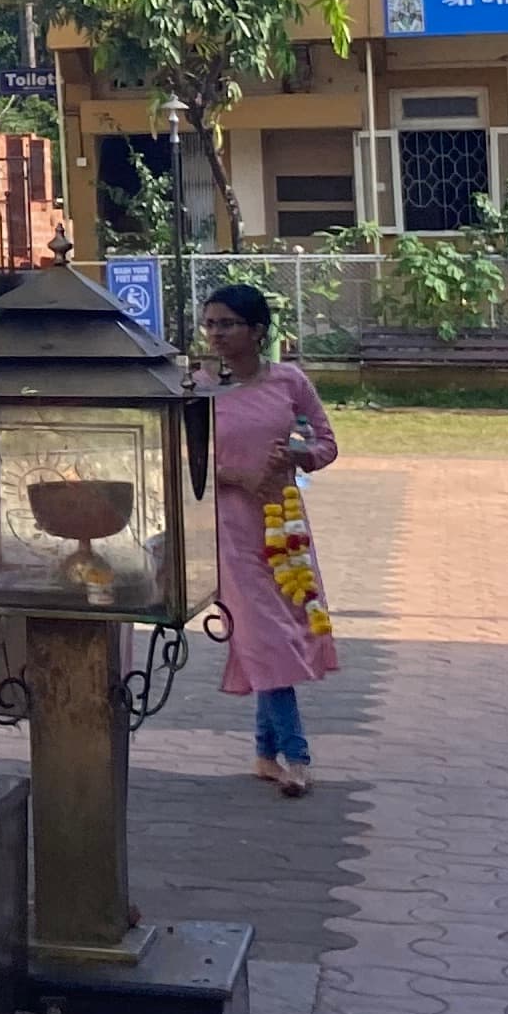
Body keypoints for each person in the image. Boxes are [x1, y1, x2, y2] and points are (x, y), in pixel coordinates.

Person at [197, 278, 340, 793]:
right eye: (210, 324)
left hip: (281, 522)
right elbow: (180, 458)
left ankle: (264, 752)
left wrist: (296, 457)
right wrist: (237, 477)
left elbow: (325, 443)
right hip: (229, 526)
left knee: (275, 635)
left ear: (257, 331)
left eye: (228, 324)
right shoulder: (200, 387)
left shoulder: (289, 382)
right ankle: (297, 757)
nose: (215, 334)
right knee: (266, 635)